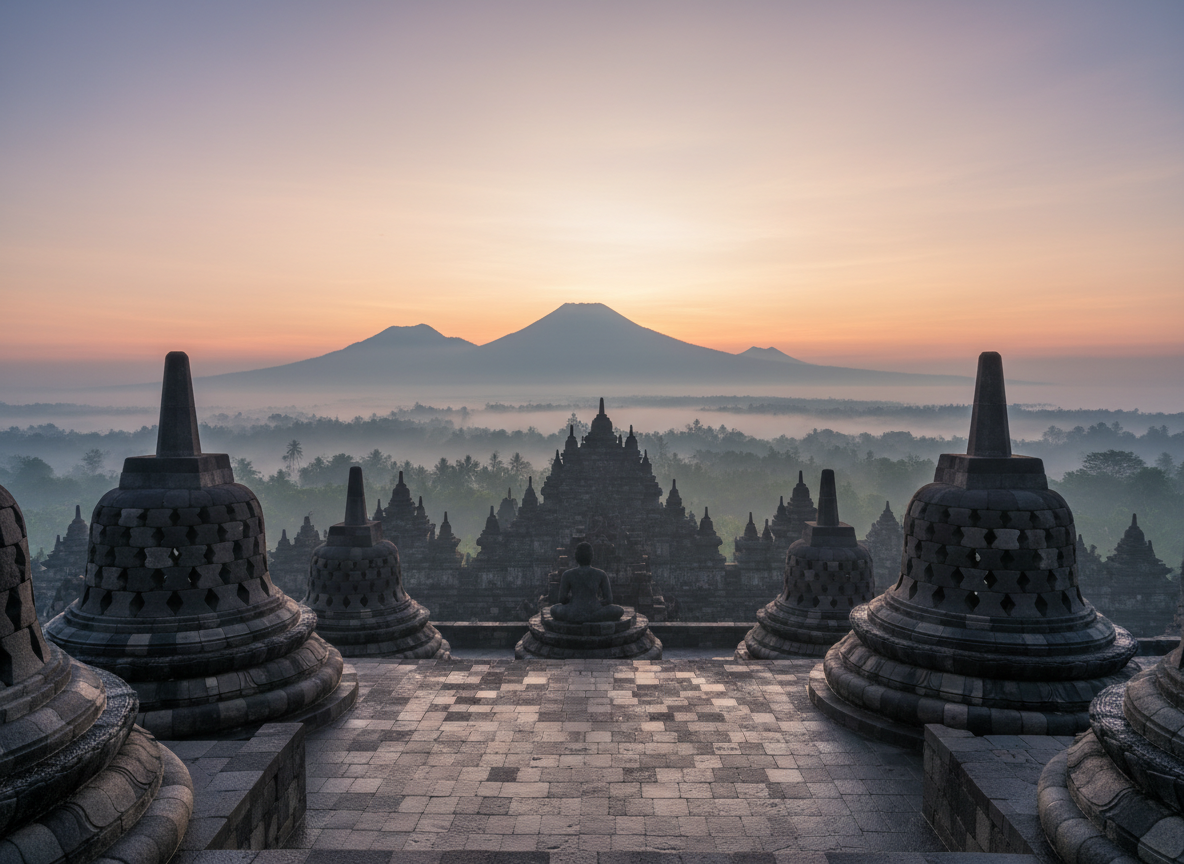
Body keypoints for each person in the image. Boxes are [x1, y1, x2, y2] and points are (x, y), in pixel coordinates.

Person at [550, 542, 624, 623]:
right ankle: (592, 617)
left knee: (554, 609)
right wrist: (594, 603)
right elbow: (609, 600)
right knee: (618, 610)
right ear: (592, 556)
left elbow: (562, 599)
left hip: (573, 612)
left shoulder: (567, 574)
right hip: (595, 610)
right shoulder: (601, 574)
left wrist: (576, 602)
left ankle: (580, 618)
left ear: (576, 557)